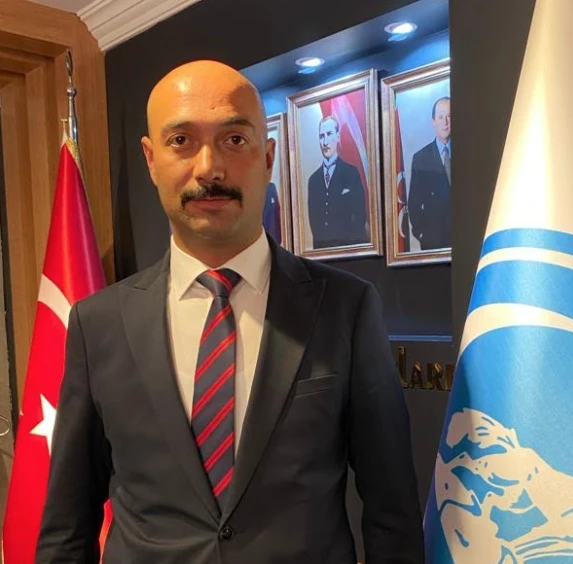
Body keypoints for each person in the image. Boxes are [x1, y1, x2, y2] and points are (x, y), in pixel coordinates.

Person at [36, 60, 423, 563]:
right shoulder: (97, 324)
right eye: (181, 141)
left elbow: (392, 511)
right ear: (150, 159)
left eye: (234, 140)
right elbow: (68, 525)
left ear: (268, 156)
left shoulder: (346, 308)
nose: (209, 169)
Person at [307, 115, 368, 249]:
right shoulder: (313, 181)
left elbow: (360, 216)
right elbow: (314, 222)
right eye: (321, 136)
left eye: (329, 134)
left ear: (338, 136)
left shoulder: (351, 173)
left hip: (349, 250)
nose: (325, 142)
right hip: (322, 252)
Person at [407, 96, 451, 251]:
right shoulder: (421, 158)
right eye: (440, 117)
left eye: (449, 116)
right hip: (433, 242)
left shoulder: (468, 152)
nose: (445, 122)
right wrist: (421, 233)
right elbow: (414, 203)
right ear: (433, 121)